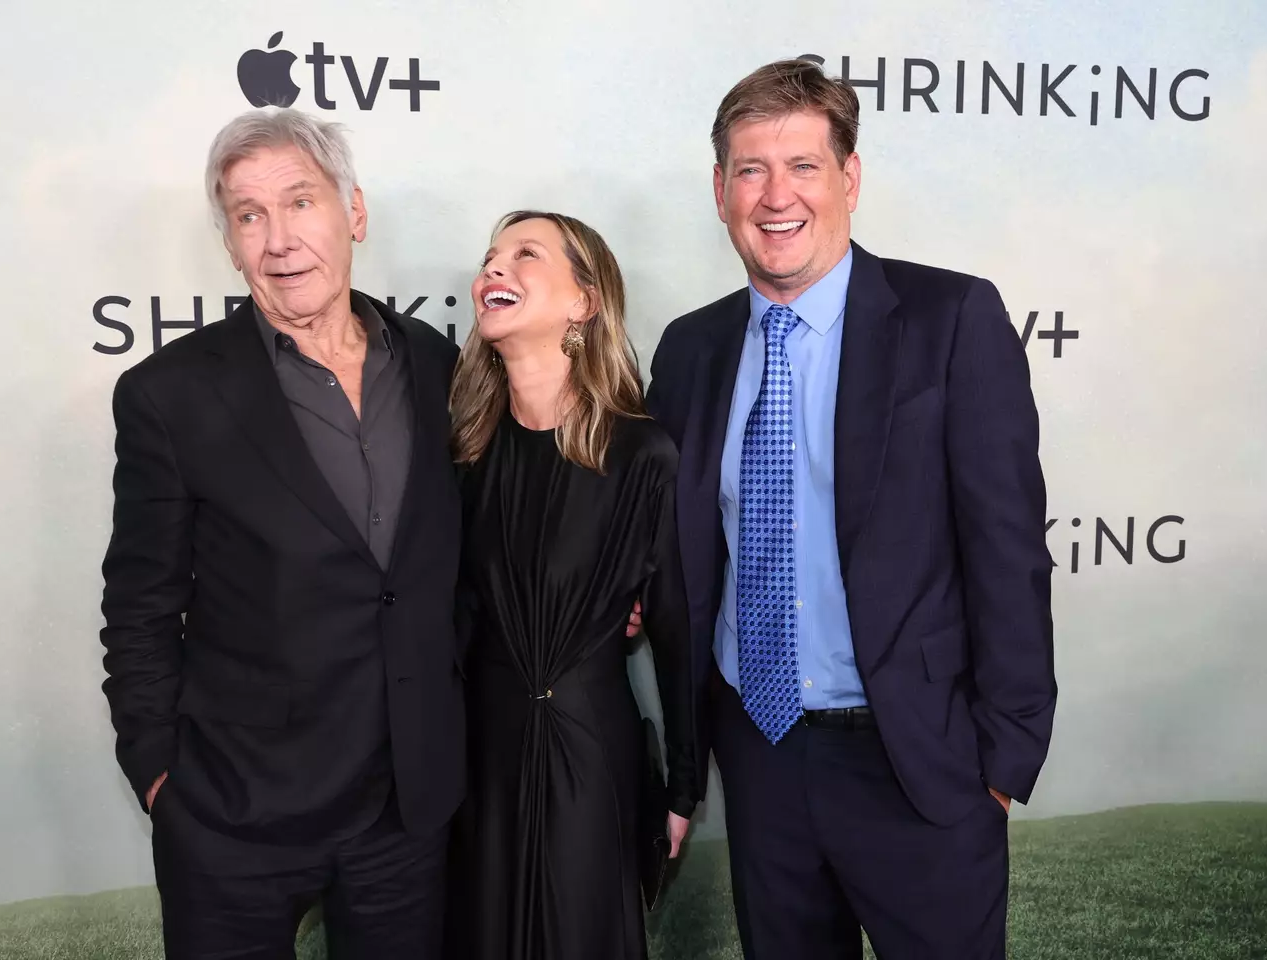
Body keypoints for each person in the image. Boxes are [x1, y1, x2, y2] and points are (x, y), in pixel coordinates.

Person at [645, 59, 1057, 959]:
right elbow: (673, 548)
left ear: (850, 179)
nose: (775, 195)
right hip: (760, 753)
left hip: (918, 764)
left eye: (803, 166)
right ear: (720, 191)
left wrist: (1001, 765)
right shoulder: (689, 350)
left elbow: (1008, 551)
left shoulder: (951, 319)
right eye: (751, 169)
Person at [97, 107, 467, 959]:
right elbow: (141, 605)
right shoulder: (169, 395)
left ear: (355, 213)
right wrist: (162, 778)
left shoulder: (436, 366)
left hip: (405, 815)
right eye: (248, 215)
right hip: (235, 818)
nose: (278, 239)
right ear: (229, 243)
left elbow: (469, 555)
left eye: (300, 202)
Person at [446, 211, 703, 960]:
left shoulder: (640, 453)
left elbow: (676, 625)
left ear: (583, 303)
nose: (495, 269)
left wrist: (683, 786)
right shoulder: (459, 452)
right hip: (475, 762)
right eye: (490, 257)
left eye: (525, 255)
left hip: (591, 759)